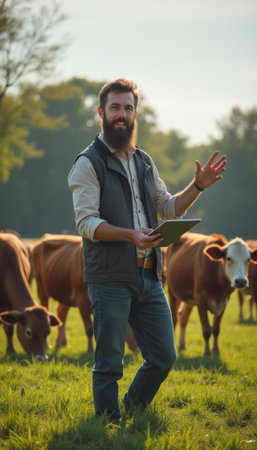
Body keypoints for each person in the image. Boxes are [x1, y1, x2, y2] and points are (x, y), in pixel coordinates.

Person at [68, 78, 226, 422]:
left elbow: (167, 207)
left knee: (164, 356)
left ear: (135, 114)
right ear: (101, 113)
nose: (122, 114)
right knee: (109, 360)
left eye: (128, 108)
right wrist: (130, 236)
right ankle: (107, 425)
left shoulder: (144, 161)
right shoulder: (87, 163)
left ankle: (133, 408)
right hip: (109, 276)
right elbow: (87, 223)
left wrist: (197, 186)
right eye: (115, 107)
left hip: (150, 274)